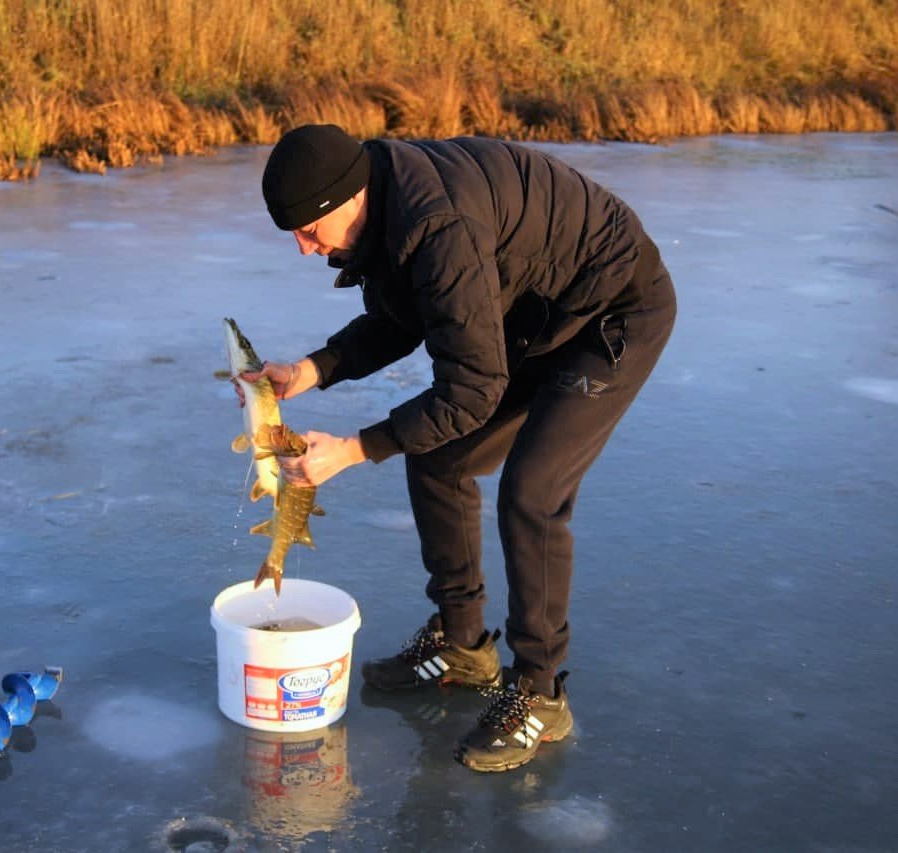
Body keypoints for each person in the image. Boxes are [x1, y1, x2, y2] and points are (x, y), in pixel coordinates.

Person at [238, 124, 677, 773]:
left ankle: (540, 689)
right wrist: (315, 367)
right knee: (439, 457)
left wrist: (356, 448)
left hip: (611, 313)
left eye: (308, 230)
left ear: (345, 197)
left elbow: (470, 391)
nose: (306, 250)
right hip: (533, 316)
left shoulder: (437, 224)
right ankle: (465, 642)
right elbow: (406, 314)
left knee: (533, 490)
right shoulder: (384, 202)